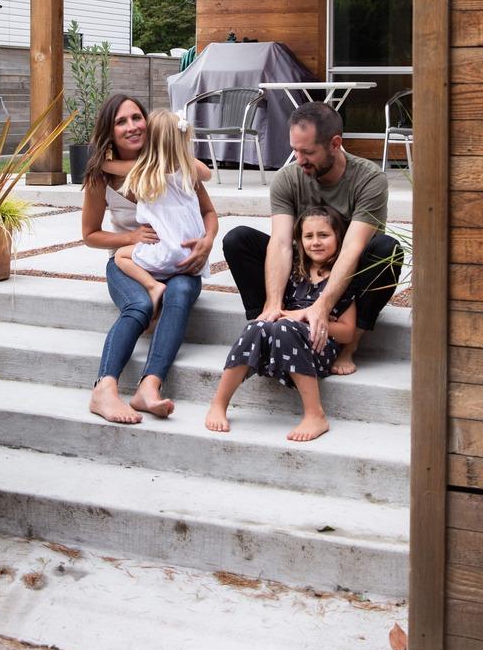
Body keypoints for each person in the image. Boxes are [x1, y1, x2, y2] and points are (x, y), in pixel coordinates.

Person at [222, 101, 402, 376]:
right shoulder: (288, 178)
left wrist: (321, 306)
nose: (299, 159)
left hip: (347, 276)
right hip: (305, 268)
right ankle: (266, 326)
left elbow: (353, 248)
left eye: (307, 152)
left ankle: (349, 346)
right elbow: (281, 242)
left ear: (334, 143)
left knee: (387, 250)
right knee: (238, 240)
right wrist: (273, 303)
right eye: (294, 149)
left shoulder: (369, 179)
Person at [82, 95, 217, 425]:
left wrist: (207, 241)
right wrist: (131, 238)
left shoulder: (172, 162)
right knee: (140, 306)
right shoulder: (100, 177)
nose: (131, 126)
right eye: (121, 122)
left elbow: (208, 211)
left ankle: (149, 387)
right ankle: (105, 389)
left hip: (178, 260)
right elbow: (90, 235)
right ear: (110, 131)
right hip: (130, 261)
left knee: (181, 292)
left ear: (148, 121)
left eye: (136, 117)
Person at [206, 205, 356, 441]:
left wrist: (305, 318)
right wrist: (287, 315)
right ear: (299, 241)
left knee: (285, 327)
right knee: (257, 326)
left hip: (317, 348)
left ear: (340, 238)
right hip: (281, 341)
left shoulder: (340, 280)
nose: (315, 242)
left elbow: (347, 332)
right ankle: (219, 403)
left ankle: (315, 414)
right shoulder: (295, 272)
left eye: (323, 235)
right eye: (309, 236)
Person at [108, 109, 213, 322]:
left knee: (120, 256)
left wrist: (102, 157)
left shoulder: (142, 171)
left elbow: (108, 166)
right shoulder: (189, 171)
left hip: (165, 253)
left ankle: (152, 286)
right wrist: (183, 154)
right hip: (191, 255)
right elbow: (208, 174)